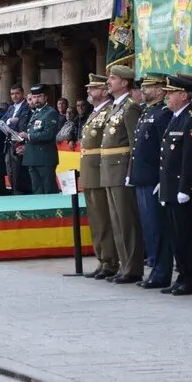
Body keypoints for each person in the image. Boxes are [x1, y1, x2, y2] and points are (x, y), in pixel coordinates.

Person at [148, 74, 192, 293]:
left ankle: (190, 279)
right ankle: (181, 275)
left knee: (186, 235)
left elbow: (189, 158)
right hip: (171, 186)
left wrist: (185, 188)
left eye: (171, 93)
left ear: (183, 95)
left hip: (182, 188)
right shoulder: (175, 117)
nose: (167, 97)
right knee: (175, 235)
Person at [100, 65, 144, 284]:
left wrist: (131, 172)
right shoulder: (114, 107)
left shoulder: (130, 107)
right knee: (116, 220)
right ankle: (123, 264)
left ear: (125, 82)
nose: (109, 81)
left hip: (121, 168)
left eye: (113, 78)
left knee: (127, 221)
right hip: (109, 169)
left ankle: (132, 267)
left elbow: (135, 144)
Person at [129, 74, 172, 271]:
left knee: (156, 225)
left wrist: (162, 178)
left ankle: (160, 265)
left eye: (148, 86)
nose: (143, 90)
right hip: (142, 176)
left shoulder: (163, 114)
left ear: (160, 91)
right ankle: (154, 261)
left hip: (153, 177)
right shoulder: (147, 112)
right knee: (147, 223)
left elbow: (164, 149)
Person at [79, 74, 119, 279]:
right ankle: (103, 258)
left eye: (93, 88)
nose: (89, 92)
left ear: (104, 91)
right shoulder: (95, 113)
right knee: (96, 219)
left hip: (100, 171)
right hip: (90, 171)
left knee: (104, 218)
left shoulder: (109, 111)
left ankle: (111, 260)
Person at [20, 85, 61, 194]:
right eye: (34, 97)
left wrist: (29, 136)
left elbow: (49, 134)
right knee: (37, 189)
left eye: (39, 96)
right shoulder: (35, 113)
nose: (36, 99)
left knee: (48, 189)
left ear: (45, 97)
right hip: (32, 156)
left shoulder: (50, 112)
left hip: (44, 157)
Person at [2, 84, 31, 194]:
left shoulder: (26, 107)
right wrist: (9, 121)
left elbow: (22, 124)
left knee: (19, 174)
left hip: (20, 145)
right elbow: (4, 120)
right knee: (10, 172)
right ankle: (14, 193)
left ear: (22, 94)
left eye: (17, 93)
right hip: (9, 144)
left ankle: (19, 195)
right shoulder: (11, 108)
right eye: (12, 94)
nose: (14, 96)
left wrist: (13, 121)